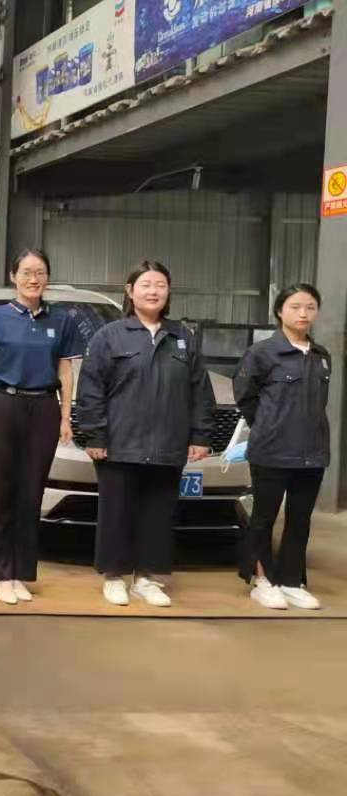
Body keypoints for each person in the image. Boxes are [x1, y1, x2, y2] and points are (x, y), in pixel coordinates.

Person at [76, 260, 212, 607]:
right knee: (116, 512)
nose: (153, 291)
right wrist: (95, 435)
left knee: (158, 512)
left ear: (169, 292)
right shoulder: (110, 336)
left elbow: (200, 389)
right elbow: (91, 388)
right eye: (146, 285)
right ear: (130, 291)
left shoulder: (183, 337)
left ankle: (147, 578)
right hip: (120, 442)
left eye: (160, 285)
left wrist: (200, 435)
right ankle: (114, 576)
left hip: (168, 441)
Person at [0, 248, 84, 605]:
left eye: (40, 272)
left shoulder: (61, 320)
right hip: (3, 404)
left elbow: (66, 371)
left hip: (44, 406)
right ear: (13, 276)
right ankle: (0, 573)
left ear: (47, 277)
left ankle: (20, 572)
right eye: (26, 272)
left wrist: (65, 416)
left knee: (31, 493)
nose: (33, 279)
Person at [233, 283, 330, 611]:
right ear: (279, 311)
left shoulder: (321, 356)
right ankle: (262, 580)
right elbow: (245, 396)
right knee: (264, 517)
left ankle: (291, 581)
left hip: (312, 451)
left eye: (310, 307)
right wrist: (269, 426)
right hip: (271, 450)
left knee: (300, 519)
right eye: (295, 307)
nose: (303, 314)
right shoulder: (261, 353)